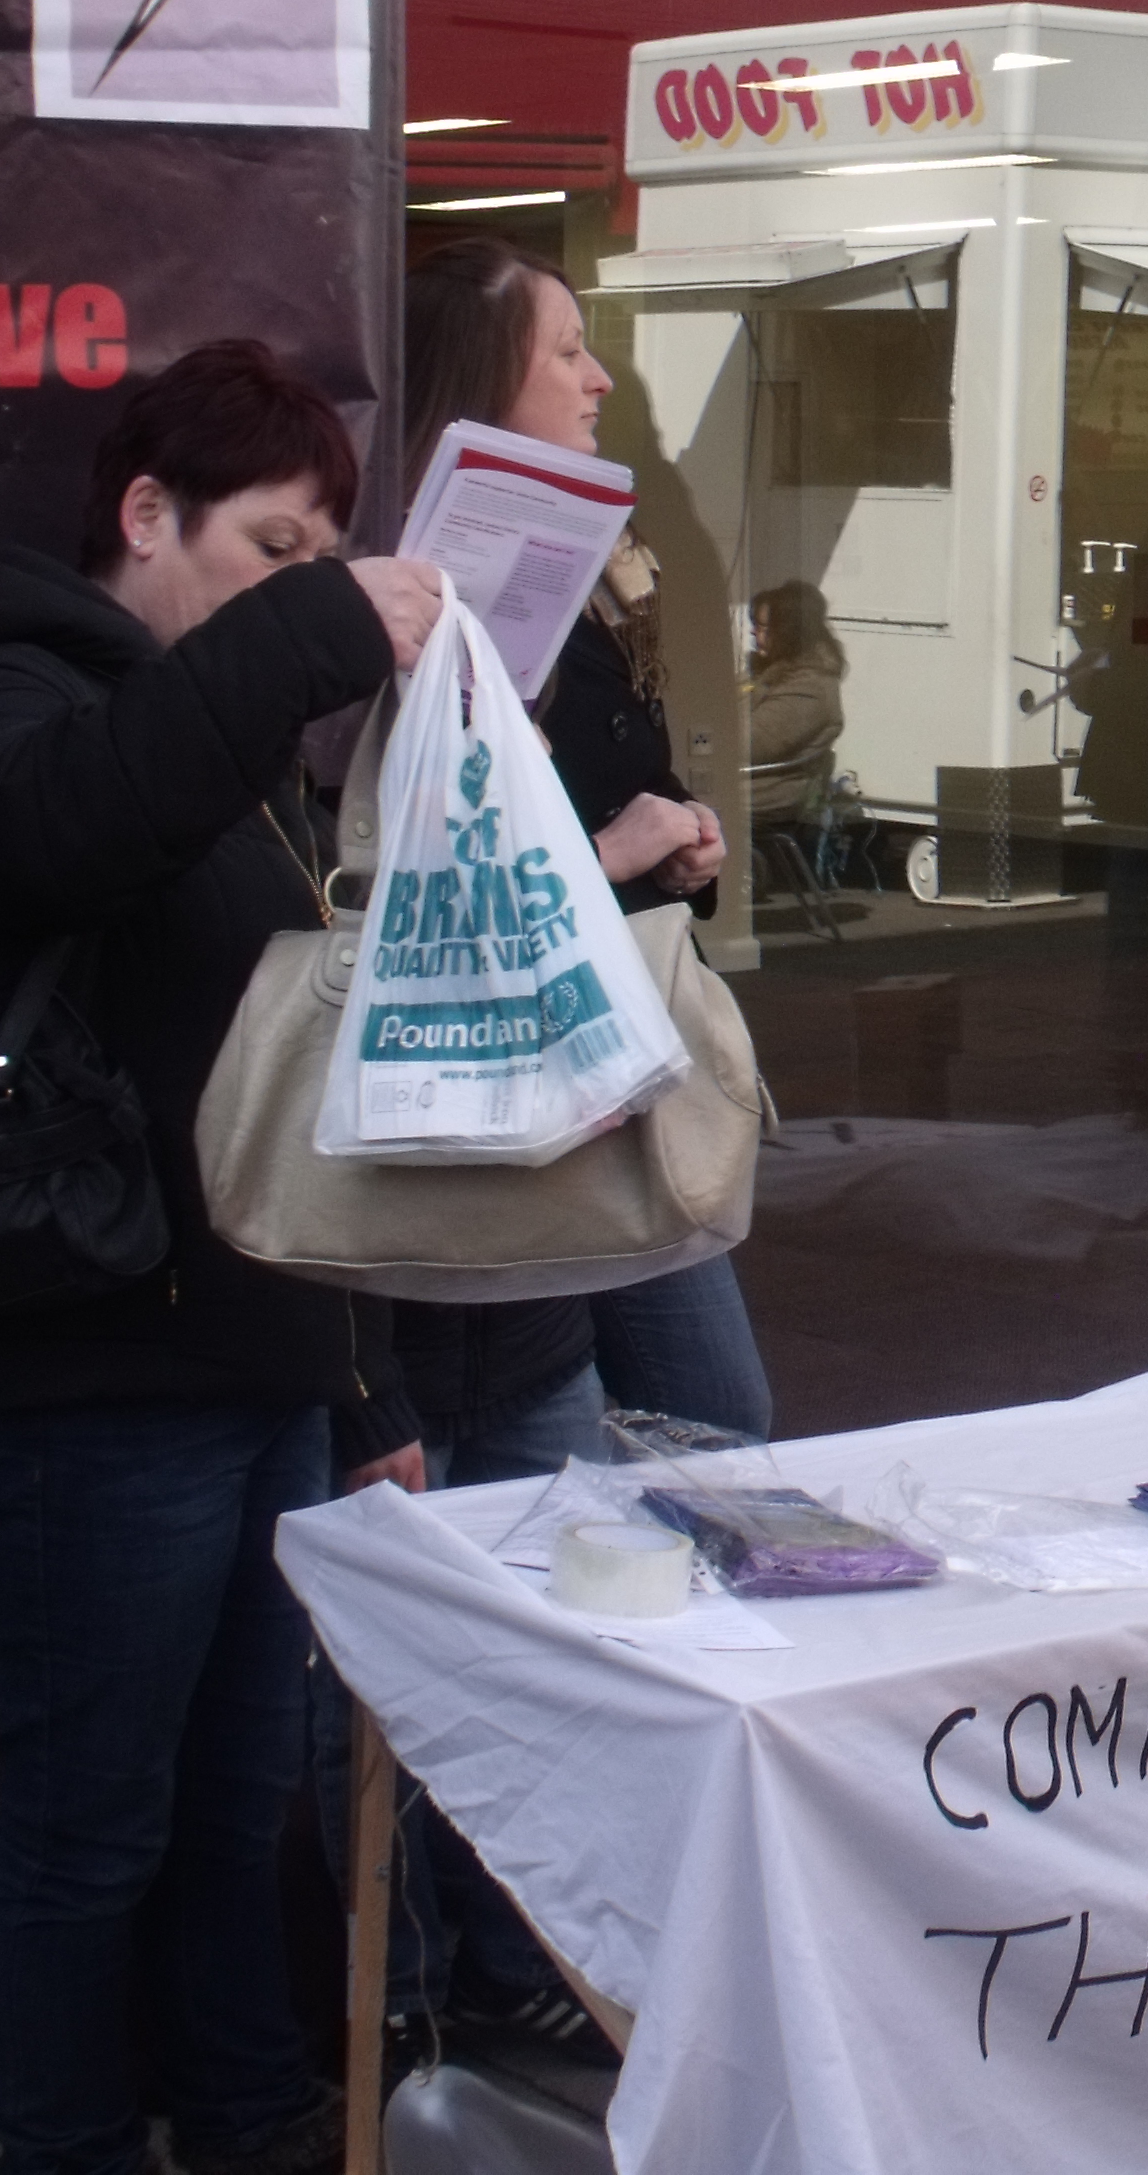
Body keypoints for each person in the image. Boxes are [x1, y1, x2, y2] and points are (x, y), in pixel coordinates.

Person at [0, 342, 445, 2175]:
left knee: (233, 1801)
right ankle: (63, 2148)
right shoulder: (4, 689)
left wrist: (359, 1387)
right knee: (87, 1826)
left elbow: (291, 1100)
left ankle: (249, 2116)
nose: (300, 591)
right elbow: (63, 828)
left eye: (320, 560)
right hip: (83, 1385)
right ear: (147, 515)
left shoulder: (231, 748)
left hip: (248, 1366)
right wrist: (317, 630)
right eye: (272, 548)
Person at [398, 236, 766, 1442]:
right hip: (500, 1070)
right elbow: (412, 871)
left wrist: (676, 839)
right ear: (477, 379)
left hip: (613, 1043)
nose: (600, 379)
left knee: (709, 1413)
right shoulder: (405, 598)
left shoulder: (586, 568)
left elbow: (617, 773)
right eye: (567, 352)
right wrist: (608, 857)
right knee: (684, 1419)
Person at [744, 577, 848, 829]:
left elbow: (747, 744)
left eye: (762, 627)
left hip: (760, 795)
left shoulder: (809, 688)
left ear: (787, 633)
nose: (753, 632)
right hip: (742, 785)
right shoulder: (772, 671)